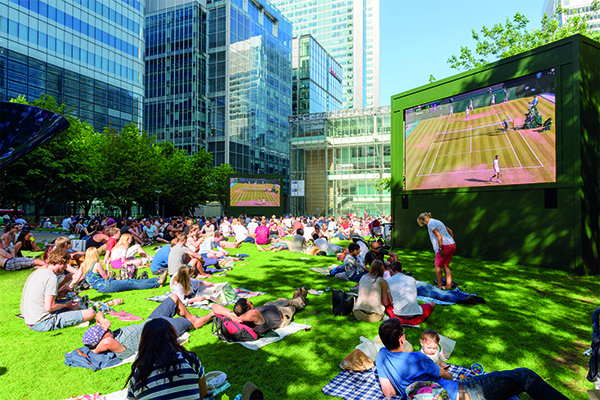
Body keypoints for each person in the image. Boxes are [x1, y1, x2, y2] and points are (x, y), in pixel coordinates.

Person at [375, 318, 569, 399]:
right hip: (462, 392)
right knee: (525, 376)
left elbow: (389, 392)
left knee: (504, 388)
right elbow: (447, 376)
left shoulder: (382, 356)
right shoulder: (418, 359)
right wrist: (446, 374)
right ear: (402, 338)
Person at [82, 295, 213, 362]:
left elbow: (99, 313)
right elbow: (104, 343)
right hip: (160, 329)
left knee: (174, 297)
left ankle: (191, 318)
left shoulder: (110, 336)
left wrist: (102, 320)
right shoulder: (118, 348)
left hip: (151, 320)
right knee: (192, 322)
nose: (106, 329)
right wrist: (95, 348)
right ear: (102, 342)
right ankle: (211, 314)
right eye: (103, 332)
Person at [124, 318, 208, 400]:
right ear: (172, 336)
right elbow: (204, 393)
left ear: (144, 342)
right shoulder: (189, 359)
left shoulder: (139, 372)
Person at [20, 249, 96, 332]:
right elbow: (49, 307)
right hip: (43, 322)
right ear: (62, 262)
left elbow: (44, 295)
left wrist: (59, 292)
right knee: (90, 313)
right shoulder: (51, 277)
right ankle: (74, 321)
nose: (66, 268)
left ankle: (71, 318)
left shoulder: (39, 272)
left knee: (76, 304)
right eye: (66, 264)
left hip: (31, 319)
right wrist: (66, 305)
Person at [212, 287, 307, 335]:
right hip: (282, 315)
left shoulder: (238, 315)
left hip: (269, 307)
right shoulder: (255, 322)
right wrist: (239, 319)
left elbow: (214, 306)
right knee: (293, 307)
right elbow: (254, 313)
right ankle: (300, 299)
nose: (253, 305)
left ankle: (296, 299)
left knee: (284, 300)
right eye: (251, 303)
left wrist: (230, 314)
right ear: (248, 310)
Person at [391, 261, 484, 305]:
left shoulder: (389, 279)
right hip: (421, 283)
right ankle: (467, 295)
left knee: (440, 295)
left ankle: (465, 298)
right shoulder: (403, 275)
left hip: (418, 289)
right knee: (442, 292)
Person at [80, 247, 167, 293]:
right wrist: (107, 264)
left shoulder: (84, 265)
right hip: (106, 286)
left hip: (102, 287)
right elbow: (106, 277)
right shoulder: (96, 265)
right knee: (131, 283)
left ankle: (157, 279)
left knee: (131, 281)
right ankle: (156, 283)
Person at [385, 261, 435, 326]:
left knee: (385, 302)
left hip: (397, 316)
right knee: (432, 302)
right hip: (415, 318)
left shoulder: (387, 281)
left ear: (390, 271)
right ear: (401, 270)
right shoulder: (412, 279)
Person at [417, 212, 456, 290]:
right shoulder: (438, 221)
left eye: (423, 223)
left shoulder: (430, 224)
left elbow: (439, 236)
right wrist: (451, 241)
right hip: (452, 244)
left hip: (444, 246)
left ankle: (439, 285)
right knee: (445, 265)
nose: (424, 224)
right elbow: (450, 231)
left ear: (425, 219)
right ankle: (448, 285)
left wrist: (441, 249)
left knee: (437, 265)